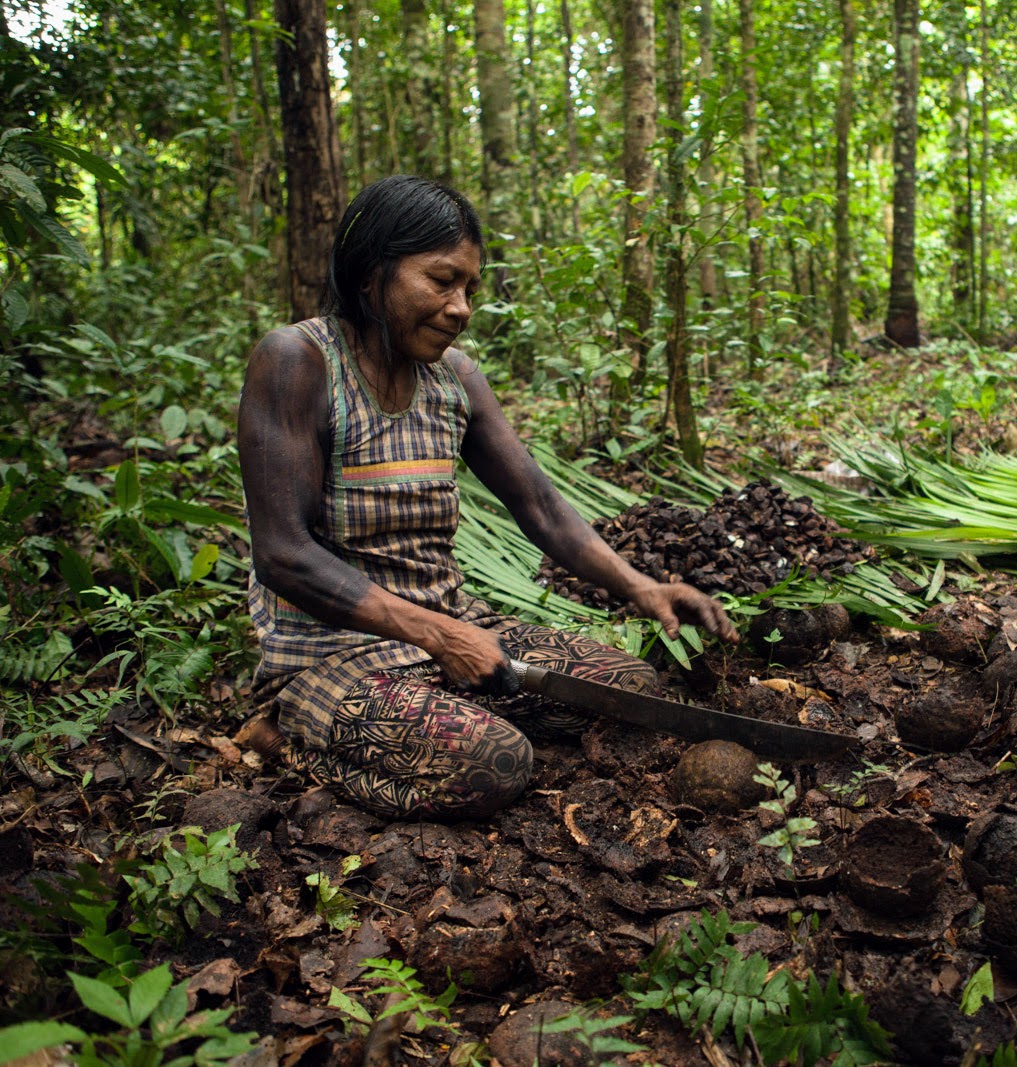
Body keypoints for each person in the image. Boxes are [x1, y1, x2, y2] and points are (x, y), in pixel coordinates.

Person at [238, 175, 736, 820]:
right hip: (334, 651)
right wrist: (439, 636)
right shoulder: (297, 361)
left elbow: (539, 505)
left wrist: (640, 586)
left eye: (470, 288)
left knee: (628, 689)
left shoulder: (456, 376)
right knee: (492, 765)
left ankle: (437, 711)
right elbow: (284, 556)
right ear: (371, 273)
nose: (461, 307)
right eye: (441, 281)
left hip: (452, 628)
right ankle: (287, 731)